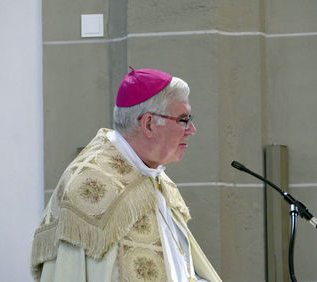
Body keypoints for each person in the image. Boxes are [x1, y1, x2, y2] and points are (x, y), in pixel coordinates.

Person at [31, 68, 222, 282]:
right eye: (183, 119)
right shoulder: (90, 186)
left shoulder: (155, 178)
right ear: (149, 123)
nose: (192, 129)